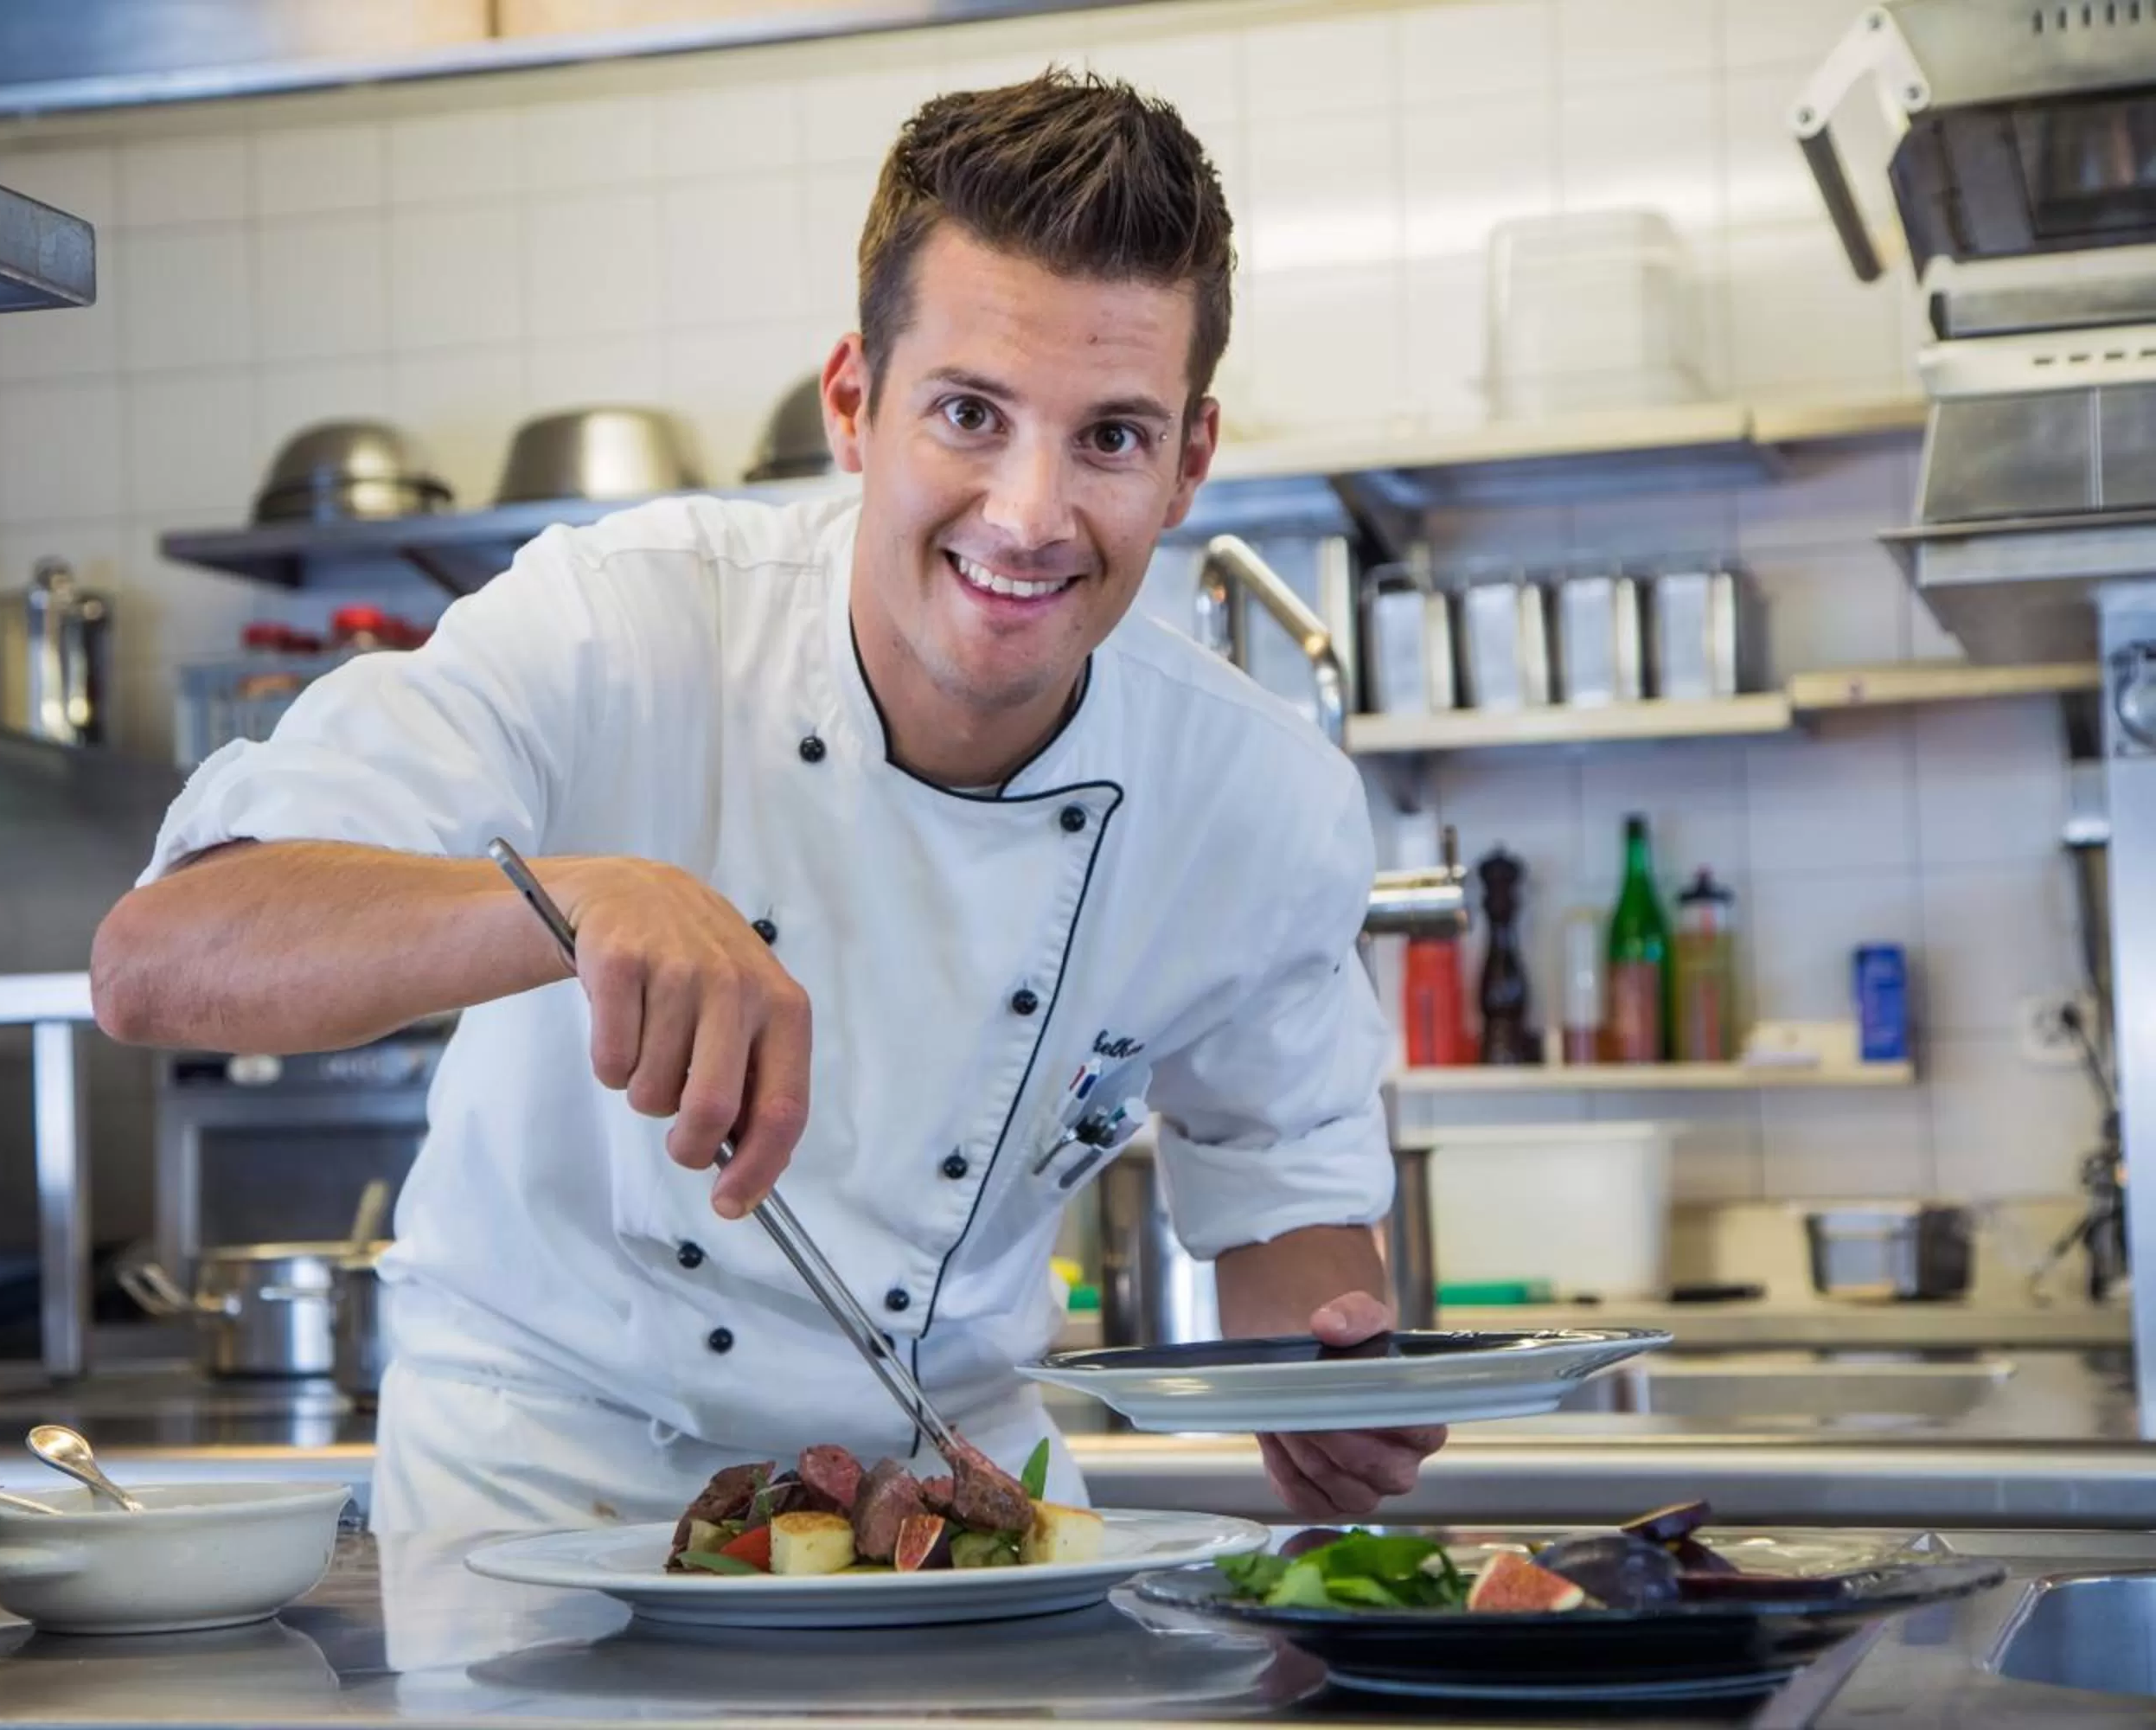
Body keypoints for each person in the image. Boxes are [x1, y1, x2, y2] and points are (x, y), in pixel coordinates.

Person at [92, 68, 1443, 1554]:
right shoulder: (620, 624)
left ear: (1189, 461)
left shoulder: (1252, 796)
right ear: (855, 406)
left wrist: (1326, 1377)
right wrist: (572, 902)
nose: (1028, 514)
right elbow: (162, 959)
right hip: (547, 1508)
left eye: (1111, 437)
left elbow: (1277, 1200)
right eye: (970, 413)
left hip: (953, 1509)